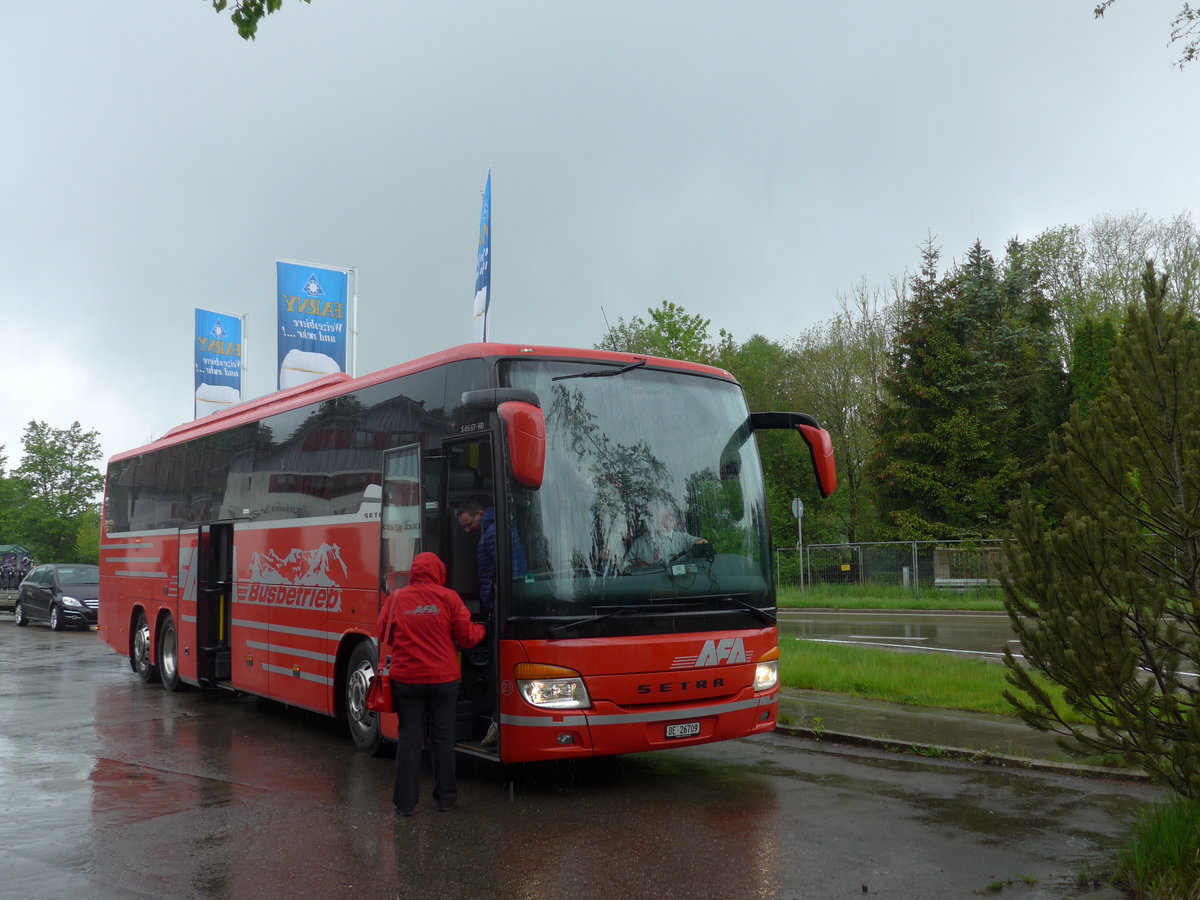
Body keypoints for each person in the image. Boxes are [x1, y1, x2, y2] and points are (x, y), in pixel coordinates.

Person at [377, 551, 484, 817]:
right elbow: (468, 637)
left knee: (410, 740)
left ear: (414, 572)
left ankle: (405, 803)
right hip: (443, 681)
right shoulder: (449, 598)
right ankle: (445, 798)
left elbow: (383, 634)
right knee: (443, 738)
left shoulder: (397, 598)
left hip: (407, 679)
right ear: (439, 572)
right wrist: (482, 629)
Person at [456, 499, 526, 616]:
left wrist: (499, 601)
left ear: (480, 514)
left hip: (500, 604)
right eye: (463, 527)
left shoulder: (492, 533)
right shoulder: (492, 530)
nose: (467, 530)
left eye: (468, 524)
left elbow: (510, 568)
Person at [624, 502, 709, 568]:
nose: (662, 521)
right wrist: (637, 566)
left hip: (678, 585)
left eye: (666, 517)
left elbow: (703, 543)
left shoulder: (682, 538)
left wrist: (696, 550)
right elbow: (625, 566)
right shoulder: (639, 543)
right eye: (659, 517)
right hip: (647, 586)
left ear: (674, 521)